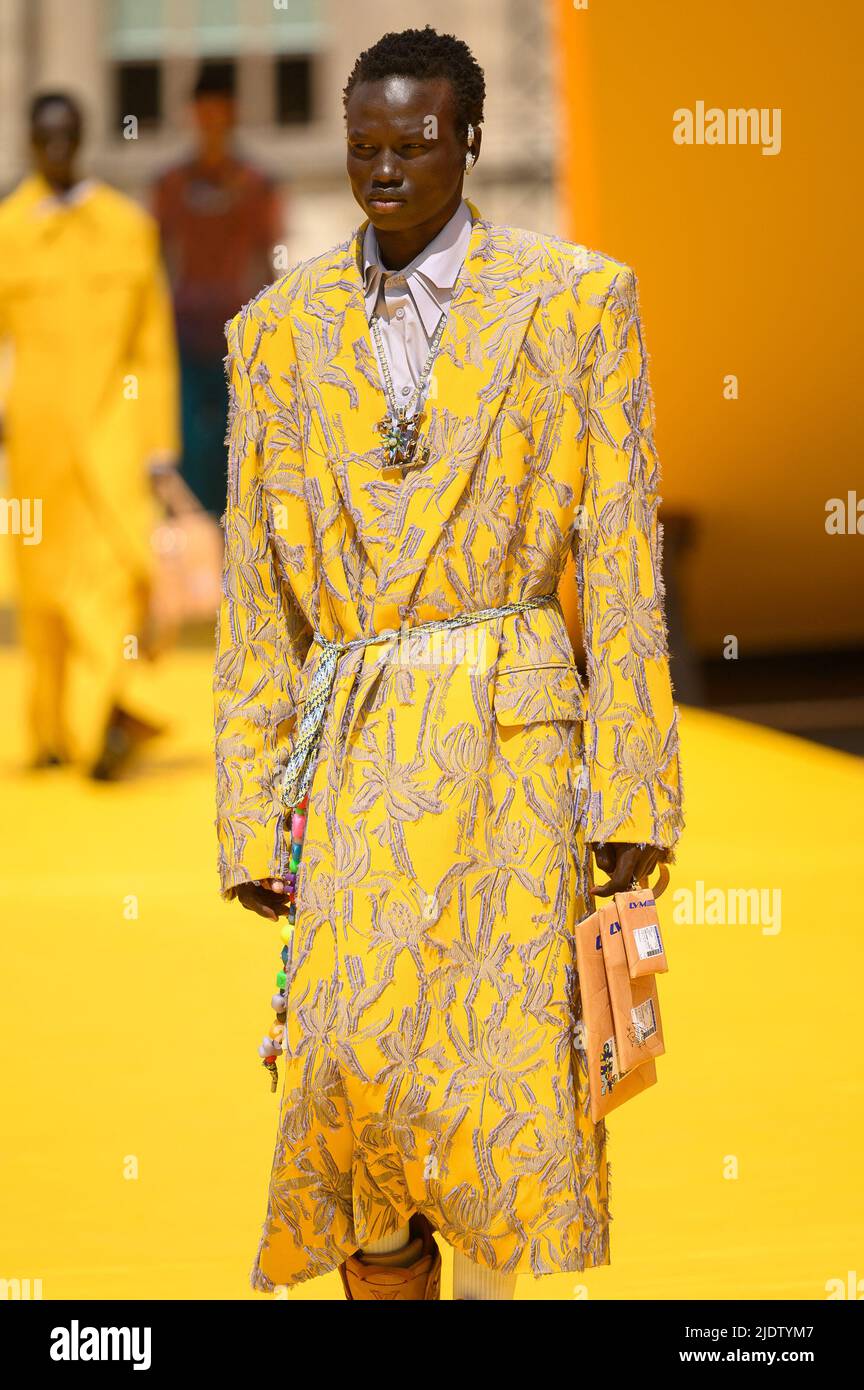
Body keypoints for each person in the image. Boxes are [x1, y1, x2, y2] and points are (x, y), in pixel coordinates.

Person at [212, 26, 684, 1301]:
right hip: (359, 742)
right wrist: (252, 811)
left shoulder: (578, 303)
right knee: (349, 1073)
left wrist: (633, 785)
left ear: (469, 139)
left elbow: (624, 560)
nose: (384, 169)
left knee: (499, 1080)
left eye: (413, 144)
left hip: (516, 747)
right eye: (363, 145)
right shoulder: (275, 333)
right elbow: (258, 597)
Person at [0, 92, 185, 779]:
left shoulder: (125, 227)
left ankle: (106, 715)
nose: (56, 151)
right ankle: (51, 730)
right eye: (44, 139)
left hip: (113, 428)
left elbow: (152, 343)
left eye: (67, 137)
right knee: (43, 588)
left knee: (116, 569)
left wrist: (158, 447)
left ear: (81, 139)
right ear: (29, 143)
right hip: (37, 440)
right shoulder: (9, 231)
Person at [153, 64, 282, 519]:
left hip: (237, 338)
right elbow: (155, 264)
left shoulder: (256, 184)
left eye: (219, 112)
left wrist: (271, 336)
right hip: (184, 337)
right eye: (203, 113)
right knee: (189, 450)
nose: (211, 122)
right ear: (193, 114)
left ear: (232, 114)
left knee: (241, 449)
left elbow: (269, 263)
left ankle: (238, 554)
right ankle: (193, 562)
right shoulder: (170, 185)